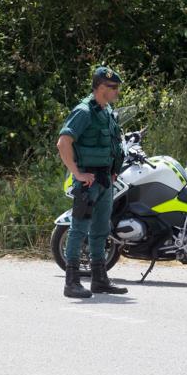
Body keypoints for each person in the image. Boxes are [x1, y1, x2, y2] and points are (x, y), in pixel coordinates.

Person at [56, 66, 128, 298]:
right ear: (99, 87)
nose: (116, 91)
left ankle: (99, 279)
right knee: (79, 229)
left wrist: (113, 170)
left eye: (117, 87)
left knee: (100, 229)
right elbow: (63, 143)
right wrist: (77, 173)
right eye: (112, 87)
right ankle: (71, 282)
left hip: (105, 179)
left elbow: (114, 144)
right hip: (88, 181)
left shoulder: (106, 111)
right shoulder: (84, 111)